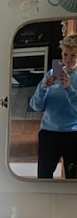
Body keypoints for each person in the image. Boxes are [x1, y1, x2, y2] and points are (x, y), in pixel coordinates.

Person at [28, 32, 77, 178]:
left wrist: (69, 88)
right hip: (48, 134)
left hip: (73, 135)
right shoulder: (51, 74)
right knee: (43, 177)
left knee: (72, 180)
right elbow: (36, 106)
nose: (68, 60)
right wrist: (43, 88)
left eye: (73, 55)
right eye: (65, 55)